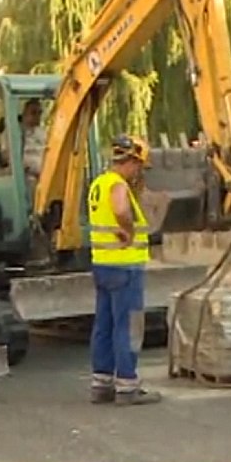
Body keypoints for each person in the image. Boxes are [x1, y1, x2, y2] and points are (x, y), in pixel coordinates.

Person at [86, 133, 161, 406]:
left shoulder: (98, 183)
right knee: (127, 326)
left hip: (102, 264)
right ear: (130, 161)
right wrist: (128, 231)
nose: (140, 171)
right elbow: (120, 210)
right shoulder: (118, 185)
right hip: (125, 267)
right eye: (139, 166)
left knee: (103, 325)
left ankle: (101, 384)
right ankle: (127, 385)